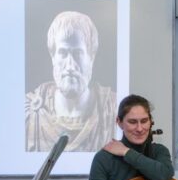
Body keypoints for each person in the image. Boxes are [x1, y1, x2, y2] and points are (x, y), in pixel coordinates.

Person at [26, 11, 117, 153]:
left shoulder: (113, 108)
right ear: (53, 57)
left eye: (78, 53)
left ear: (91, 57)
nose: (69, 65)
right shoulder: (30, 112)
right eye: (63, 53)